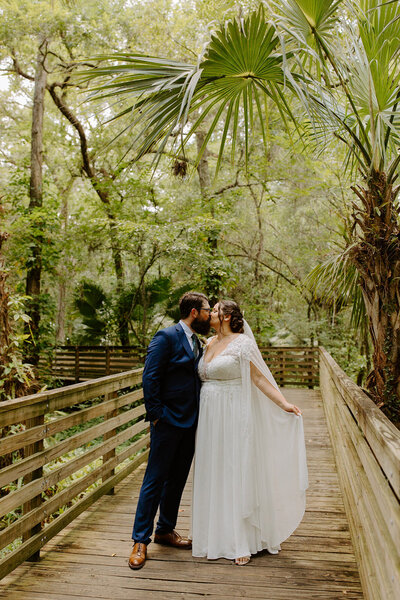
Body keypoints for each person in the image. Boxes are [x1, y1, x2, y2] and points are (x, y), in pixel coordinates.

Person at [192, 300, 308, 566]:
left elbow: (258, 379)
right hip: (209, 417)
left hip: (233, 413)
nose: (211, 312)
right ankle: (212, 536)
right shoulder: (208, 343)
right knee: (213, 471)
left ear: (227, 316)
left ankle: (240, 539)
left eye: (216, 309)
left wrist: (284, 403)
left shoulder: (243, 344)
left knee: (234, 470)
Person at [129, 291, 211, 570]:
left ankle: (165, 529)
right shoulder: (166, 336)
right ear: (194, 312)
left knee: (177, 480)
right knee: (154, 480)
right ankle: (140, 540)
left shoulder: (198, 343)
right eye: (207, 310)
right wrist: (156, 416)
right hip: (166, 422)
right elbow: (150, 376)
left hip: (191, 424)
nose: (209, 315)